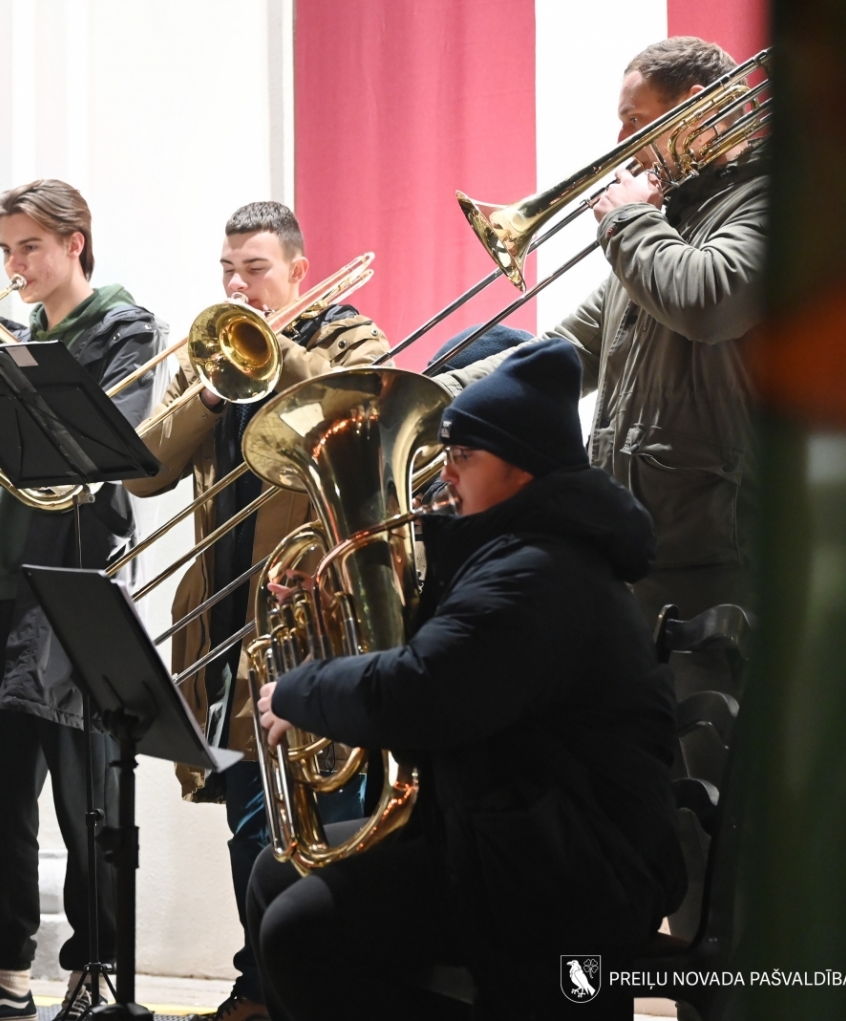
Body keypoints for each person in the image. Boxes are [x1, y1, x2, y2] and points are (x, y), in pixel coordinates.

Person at [249, 340, 686, 1020]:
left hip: (566, 869)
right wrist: (331, 600)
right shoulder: (520, 554)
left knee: (301, 933)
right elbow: (453, 666)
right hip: (517, 828)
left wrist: (300, 689)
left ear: (522, 469)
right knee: (275, 876)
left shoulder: (538, 573)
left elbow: (425, 691)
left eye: (461, 457)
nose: (443, 476)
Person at [123, 201, 387, 1021]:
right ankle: (258, 980)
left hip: (312, 614)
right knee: (245, 806)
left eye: (256, 269)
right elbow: (143, 470)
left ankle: (298, 988)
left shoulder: (345, 336)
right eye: (227, 269)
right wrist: (210, 389)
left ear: (300, 271)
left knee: (307, 807)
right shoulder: (210, 354)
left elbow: (364, 421)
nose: (238, 284)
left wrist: (284, 347)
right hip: (223, 614)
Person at [0, 179, 158, 1021]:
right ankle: (8, 975)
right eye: (7, 250)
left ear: (74, 242)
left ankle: (94, 969)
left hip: (71, 589)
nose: (15, 265)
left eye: (29, 247)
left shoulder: (126, 329)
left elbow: (110, 451)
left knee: (85, 797)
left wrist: (15, 398)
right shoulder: (18, 339)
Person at [434, 36, 765, 621]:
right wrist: (422, 398)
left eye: (634, 120)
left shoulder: (763, 203)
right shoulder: (665, 230)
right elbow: (556, 355)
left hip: (716, 565)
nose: (621, 144)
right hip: (636, 547)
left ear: (698, 104)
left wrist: (628, 219)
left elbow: (709, 298)